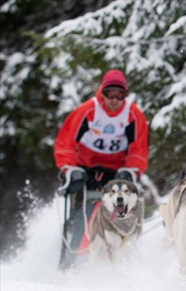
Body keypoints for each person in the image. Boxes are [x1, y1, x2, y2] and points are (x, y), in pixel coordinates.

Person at [54, 69, 148, 269]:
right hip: (85, 168)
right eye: (110, 95)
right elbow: (66, 141)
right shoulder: (88, 110)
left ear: (125, 95)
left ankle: (121, 259)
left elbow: (139, 150)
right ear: (102, 93)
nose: (114, 100)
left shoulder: (133, 115)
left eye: (119, 95)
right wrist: (69, 168)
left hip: (116, 171)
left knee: (121, 210)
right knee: (81, 211)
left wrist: (131, 171)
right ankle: (70, 259)